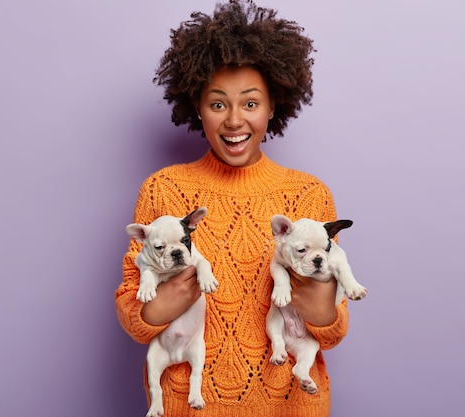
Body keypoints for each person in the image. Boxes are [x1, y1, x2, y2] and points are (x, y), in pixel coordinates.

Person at [115, 1, 350, 416]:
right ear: (197, 108)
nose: (235, 121)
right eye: (218, 103)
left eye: (251, 103)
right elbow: (135, 316)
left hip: (288, 404)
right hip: (188, 404)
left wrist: (319, 300)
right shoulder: (164, 190)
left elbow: (331, 329)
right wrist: (164, 300)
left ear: (273, 106)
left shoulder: (308, 196)